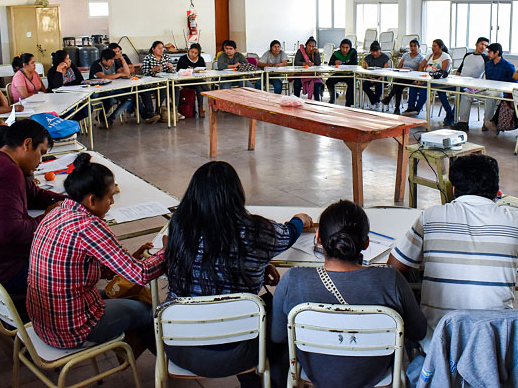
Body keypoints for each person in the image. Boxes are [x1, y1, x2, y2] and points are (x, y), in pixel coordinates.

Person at [164, 161, 312, 386]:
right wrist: (299, 220)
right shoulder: (256, 231)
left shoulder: (179, 228)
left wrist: (260, 267)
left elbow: (210, 263)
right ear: (236, 194)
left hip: (179, 346)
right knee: (285, 320)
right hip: (237, 352)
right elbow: (288, 234)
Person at [387, 154, 518, 346]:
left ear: (454, 190)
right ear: (497, 192)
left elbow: (393, 266)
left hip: (439, 343)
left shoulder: (431, 216)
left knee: (412, 279)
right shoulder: (517, 221)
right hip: (493, 343)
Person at [271, 200, 426, 388]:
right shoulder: (391, 280)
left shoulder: (293, 280)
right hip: (375, 374)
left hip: (316, 374)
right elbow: (419, 331)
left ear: (318, 239)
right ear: (366, 242)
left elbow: (278, 336)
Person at [28, 153, 165, 352]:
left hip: (45, 321)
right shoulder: (89, 227)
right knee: (148, 309)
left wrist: (130, 259)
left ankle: (138, 354)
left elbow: (91, 267)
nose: (112, 203)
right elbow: (142, 274)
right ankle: (164, 364)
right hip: (71, 329)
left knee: (129, 295)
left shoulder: (56, 212)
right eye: (110, 198)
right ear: (92, 200)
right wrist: (168, 251)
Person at [0, 119, 64, 295]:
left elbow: (35, 195)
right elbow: (12, 232)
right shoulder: (7, 171)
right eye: (41, 152)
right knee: (77, 259)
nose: (40, 161)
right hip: (4, 273)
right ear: (27, 144)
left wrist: (75, 200)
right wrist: (48, 217)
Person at [403, 39, 452, 124]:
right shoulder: (429, 56)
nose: (432, 48)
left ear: (440, 47)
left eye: (434, 46)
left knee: (424, 87)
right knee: (414, 84)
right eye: (432, 46)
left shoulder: (445, 57)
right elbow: (421, 67)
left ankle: (417, 109)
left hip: (438, 80)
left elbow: (443, 72)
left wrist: (427, 77)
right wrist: (421, 78)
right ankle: (411, 107)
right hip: (426, 78)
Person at [451, 37, 490, 131]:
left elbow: (487, 74)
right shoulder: (467, 55)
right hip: (460, 81)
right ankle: (450, 116)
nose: (483, 47)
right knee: (442, 89)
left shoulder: (485, 58)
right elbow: (459, 70)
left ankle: (460, 121)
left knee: (463, 93)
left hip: (473, 85)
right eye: (482, 44)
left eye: (485, 45)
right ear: (476, 44)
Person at [480, 43, 516, 134]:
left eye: (490, 52)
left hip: (501, 91)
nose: (488, 54)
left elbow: (514, 83)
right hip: (488, 88)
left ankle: (487, 122)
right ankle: (463, 122)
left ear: (497, 52)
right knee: (466, 94)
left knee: (491, 96)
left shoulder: (508, 66)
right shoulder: (488, 64)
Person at [383, 38, 424, 115]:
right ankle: (395, 107)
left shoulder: (421, 58)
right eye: (411, 46)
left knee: (397, 84)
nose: (413, 48)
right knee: (398, 84)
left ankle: (391, 100)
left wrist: (411, 70)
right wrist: (403, 69)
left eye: (415, 46)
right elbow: (398, 67)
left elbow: (419, 70)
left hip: (411, 77)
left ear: (418, 47)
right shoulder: (405, 55)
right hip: (402, 75)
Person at [142, 41, 181, 120]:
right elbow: (145, 72)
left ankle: (174, 110)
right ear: (153, 49)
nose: (161, 50)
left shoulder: (166, 57)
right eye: (159, 48)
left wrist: (171, 68)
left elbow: (173, 72)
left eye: (162, 48)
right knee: (163, 88)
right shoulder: (148, 58)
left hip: (165, 80)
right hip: (153, 82)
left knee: (176, 87)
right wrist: (153, 69)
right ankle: (158, 111)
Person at [175, 43, 210, 117]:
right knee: (200, 84)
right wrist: (188, 70)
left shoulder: (200, 59)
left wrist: (197, 71)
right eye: (191, 52)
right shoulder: (183, 59)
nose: (193, 54)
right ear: (189, 51)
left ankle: (200, 108)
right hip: (186, 81)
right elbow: (178, 71)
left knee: (198, 86)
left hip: (197, 80)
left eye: (195, 53)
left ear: (198, 53)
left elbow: (204, 70)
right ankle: (209, 92)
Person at [326, 38, 358, 106]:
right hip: (339, 73)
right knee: (329, 81)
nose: (345, 50)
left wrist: (343, 63)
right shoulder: (336, 53)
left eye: (347, 48)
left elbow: (354, 63)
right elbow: (330, 63)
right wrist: (335, 62)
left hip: (350, 74)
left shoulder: (353, 52)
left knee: (352, 83)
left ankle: (349, 103)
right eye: (343, 47)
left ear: (350, 48)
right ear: (340, 47)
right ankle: (333, 96)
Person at [362, 41, 391, 110]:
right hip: (371, 77)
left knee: (379, 85)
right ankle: (376, 101)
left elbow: (386, 71)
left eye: (376, 51)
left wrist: (378, 79)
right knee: (364, 85)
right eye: (373, 52)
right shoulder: (368, 58)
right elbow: (366, 71)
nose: (375, 53)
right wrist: (370, 78)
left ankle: (375, 102)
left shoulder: (385, 57)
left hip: (382, 78)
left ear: (380, 50)